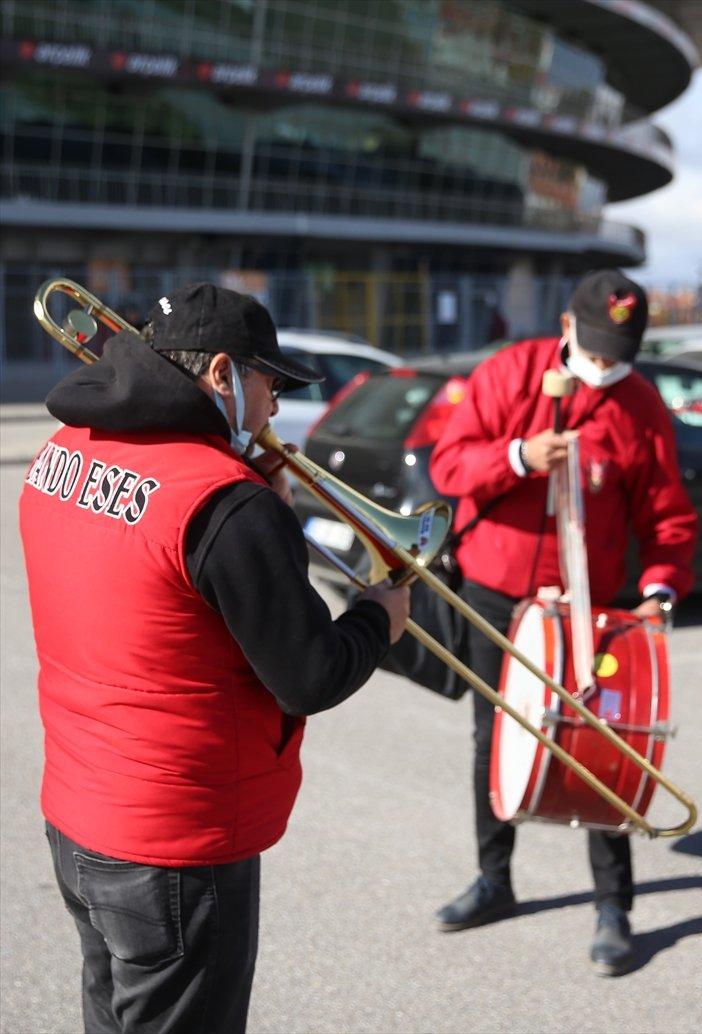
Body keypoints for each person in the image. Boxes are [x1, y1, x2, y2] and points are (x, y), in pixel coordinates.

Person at [20, 283, 411, 1033]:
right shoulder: (227, 504)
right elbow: (311, 675)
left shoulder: (61, 449)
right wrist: (376, 617)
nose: (270, 410)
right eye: (268, 384)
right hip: (177, 845)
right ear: (223, 374)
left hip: (79, 817)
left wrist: (262, 511)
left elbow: (149, 583)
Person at [428, 269, 698, 975]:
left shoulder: (640, 406)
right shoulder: (508, 372)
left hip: (590, 598)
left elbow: (668, 517)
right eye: (597, 346)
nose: (605, 364)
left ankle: (614, 905)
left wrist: (660, 592)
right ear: (568, 326)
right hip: (495, 590)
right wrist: (517, 457)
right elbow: (447, 465)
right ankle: (495, 879)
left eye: (621, 351)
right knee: (492, 736)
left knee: (600, 744)